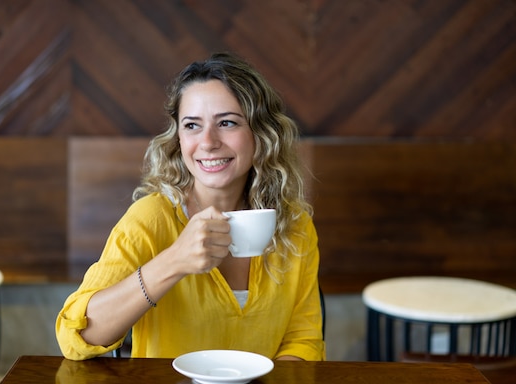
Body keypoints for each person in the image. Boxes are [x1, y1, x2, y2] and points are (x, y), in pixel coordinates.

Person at [56, 52, 325, 361]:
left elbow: (302, 341)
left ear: (261, 133)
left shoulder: (295, 224)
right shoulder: (150, 219)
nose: (208, 142)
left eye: (227, 122)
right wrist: (174, 261)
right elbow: (75, 339)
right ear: (178, 138)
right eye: (192, 126)